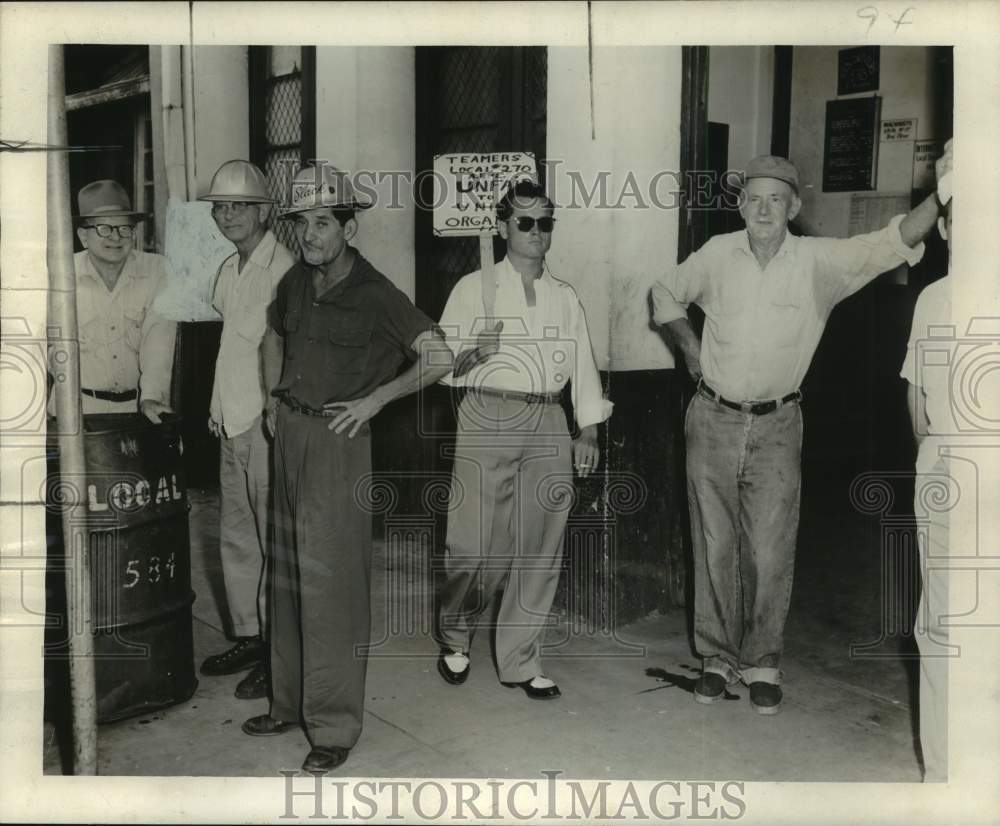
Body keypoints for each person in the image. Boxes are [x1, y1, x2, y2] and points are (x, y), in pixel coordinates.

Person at [651, 154, 942, 714]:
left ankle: (762, 661)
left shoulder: (818, 263)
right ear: (740, 204)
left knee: (769, 547)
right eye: (754, 198)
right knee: (714, 543)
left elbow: (890, 242)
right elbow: (664, 294)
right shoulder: (715, 256)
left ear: (794, 207)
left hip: (778, 423)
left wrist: (944, 195)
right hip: (710, 418)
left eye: (775, 199)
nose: (763, 209)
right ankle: (716, 657)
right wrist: (689, 347)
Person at [241, 164, 454, 773]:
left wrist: (375, 401)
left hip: (339, 441)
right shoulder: (295, 282)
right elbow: (272, 336)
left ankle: (333, 727)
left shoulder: (376, 292)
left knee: (331, 586)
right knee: (285, 574)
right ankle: (288, 703)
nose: (310, 234)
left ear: (348, 226)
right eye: (302, 222)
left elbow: (438, 357)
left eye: (323, 222)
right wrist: (274, 398)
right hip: (291, 431)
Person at [435, 180, 612, 700]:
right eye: (525, 222)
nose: (537, 233)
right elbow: (437, 365)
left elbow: (582, 362)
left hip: (548, 421)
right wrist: (473, 353)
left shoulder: (564, 295)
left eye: (545, 222)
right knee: (473, 546)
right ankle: (456, 634)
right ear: (503, 228)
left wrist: (589, 429)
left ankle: (519, 658)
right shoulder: (474, 288)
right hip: (486, 413)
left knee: (541, 547)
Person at [196, 160, 296, 700]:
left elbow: (284, 351)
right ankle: (251, 636)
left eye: (240, 206)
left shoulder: (282, 270)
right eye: (221, 206)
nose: (229, 215)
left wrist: (274, 415)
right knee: (237, 539)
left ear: (264, 212)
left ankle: (281, 654)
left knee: (273, 541)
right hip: (230, 419)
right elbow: (231, 349)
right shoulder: (230, 269)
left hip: (264, 423)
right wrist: (217, 409)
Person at [900, 139, 954, 781]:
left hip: (947, 465)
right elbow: (918, 411)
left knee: (946, 633)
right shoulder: (931, 301)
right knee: (944, 632)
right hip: (948, 471)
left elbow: (917, 413)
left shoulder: (936, 299)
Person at [67, 180, 176, 421]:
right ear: (83, 236)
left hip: (136, 409)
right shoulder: (63, 274)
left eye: (124, 228)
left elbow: (159, 340)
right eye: (104, 228)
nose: (116, 237)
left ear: (134, 232)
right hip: (76, 412)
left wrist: (152, 397)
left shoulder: (157, 270)